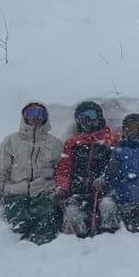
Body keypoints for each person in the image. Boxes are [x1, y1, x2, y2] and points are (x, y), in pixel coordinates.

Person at [0, 102, 64, 244]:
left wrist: (59, 190)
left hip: (44, 192)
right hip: (16, 193)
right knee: (17, 229)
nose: (35, 117)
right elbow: (0, 170)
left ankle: (43, 252)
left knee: (49, 224)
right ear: (24, 117)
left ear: (45, 118)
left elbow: (61, 170)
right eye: (31, 113)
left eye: (40, 114)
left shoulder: (54, 143)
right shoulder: (12, 141)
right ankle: (17, 252)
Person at [54, 101, 120, 237]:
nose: (88, 120)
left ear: (99, 116)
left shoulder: (111, 139)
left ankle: (110, 239)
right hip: (78, 192)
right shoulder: (72, 144)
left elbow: (117, 165)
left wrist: (105, 180)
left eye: (91, 114)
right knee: (72, 214)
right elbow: (64, 169)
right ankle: (76, 242)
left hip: (103, 191)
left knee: (108, 206)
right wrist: (62, 188)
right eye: (83, 117)